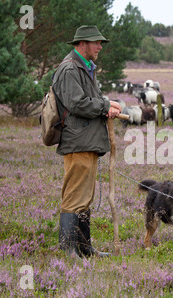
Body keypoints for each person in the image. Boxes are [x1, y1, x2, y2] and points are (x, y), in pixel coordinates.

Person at [52, 25, 121, 258]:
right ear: (82, 44)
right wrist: (105, 106)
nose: (100, 47)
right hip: (78, 142)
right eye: (96, 43)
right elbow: (77, 103)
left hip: (87, 141)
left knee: (85, 197)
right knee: (74, 197)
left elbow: (88, 100)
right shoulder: (69, 69)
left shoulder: (85, 68)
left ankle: (84, 248)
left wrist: (106, 106)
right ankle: (69, 250)